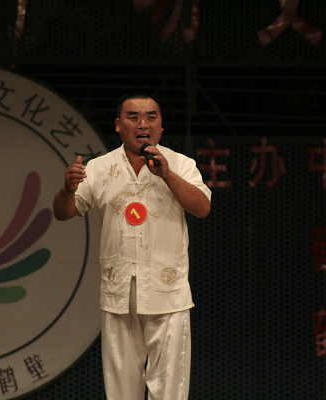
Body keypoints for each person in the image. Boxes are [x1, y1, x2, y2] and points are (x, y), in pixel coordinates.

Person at [53, 93, 211, 400]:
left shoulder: (181, 163)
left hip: (167, 291)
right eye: (134, 117)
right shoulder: (99, 168)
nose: (143, 124)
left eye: (151, 117)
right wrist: (67, 189)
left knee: (170, 389)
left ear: (161, 125)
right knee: (121, 390)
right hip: (119, 292)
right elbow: (63, 212)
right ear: (118, 125)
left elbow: (202, 208)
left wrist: (167, 174)